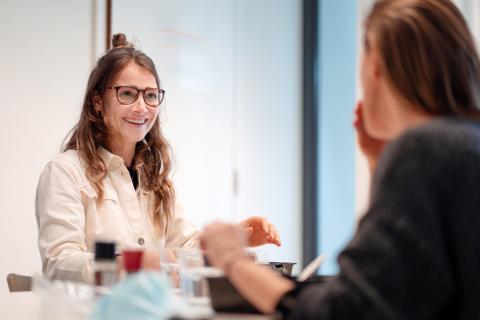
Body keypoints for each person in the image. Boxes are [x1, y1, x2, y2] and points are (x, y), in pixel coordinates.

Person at [200, 0, 480, 318]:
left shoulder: (423, 150)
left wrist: (233, 261)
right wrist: (379, 166)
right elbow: (404, 287)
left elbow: (343, 311)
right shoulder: (464, 143)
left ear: (376, 65)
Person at [35, 33, 281, 283]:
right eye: (127, 94)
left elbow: (185, 248)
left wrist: (234, 239)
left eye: (150, 95)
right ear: (98, 102)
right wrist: (133, 264)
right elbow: (59, 261)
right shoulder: (65, 172)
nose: (142, 107)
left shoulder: (156, 180)